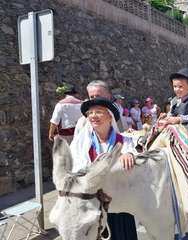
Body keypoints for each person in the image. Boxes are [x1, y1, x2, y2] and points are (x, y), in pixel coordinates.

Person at [73, 81, 137, 239]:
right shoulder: (82, 140)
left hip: (119, 204)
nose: (93, 116)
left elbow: (134, 155)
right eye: (90, 113)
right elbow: (75, 165)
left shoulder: (124, 141)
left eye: (99, 112)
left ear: (110, 116)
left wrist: (129, 154)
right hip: (94, 203)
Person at [160, 68, 188, 158]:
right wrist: (167, 117)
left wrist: (180, 119)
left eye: (180, 87)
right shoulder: (174, 101)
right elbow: (171, 112)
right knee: (160, 124)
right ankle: (146, 140)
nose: (177, 89)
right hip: (176, 121)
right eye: (175, 87)